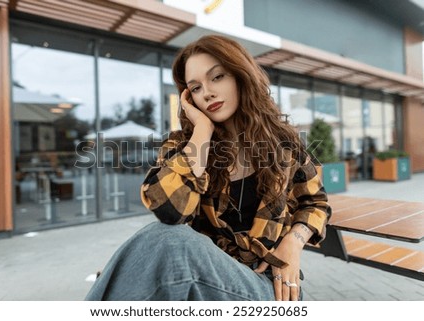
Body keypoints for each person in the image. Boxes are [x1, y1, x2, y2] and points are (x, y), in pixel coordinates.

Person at [85, 35, 331, 301]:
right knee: (167, 238)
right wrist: (202, 131)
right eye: (196, 88)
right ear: (188, 99)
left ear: (240, 75)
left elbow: (315, 203)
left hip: (266, 286)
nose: (208, 93)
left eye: (217, 77)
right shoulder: (184, 146)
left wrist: (293, 243)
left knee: (168, 246)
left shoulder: (285, 144)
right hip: (203, 281)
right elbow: (169, 211)